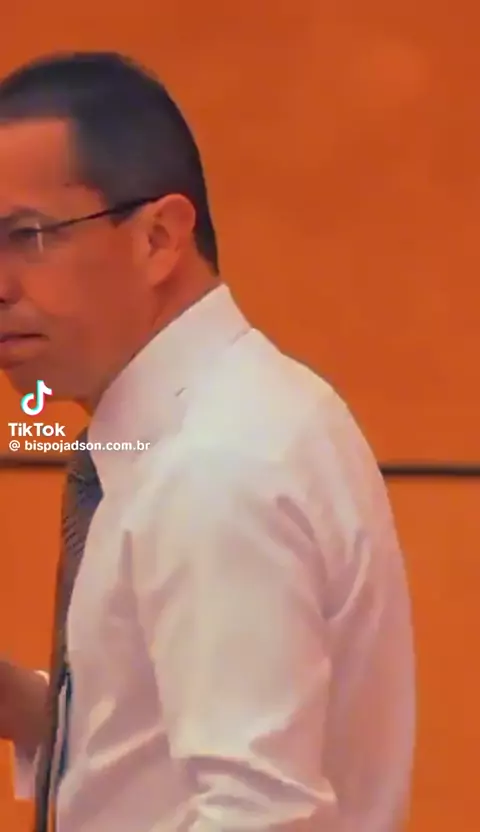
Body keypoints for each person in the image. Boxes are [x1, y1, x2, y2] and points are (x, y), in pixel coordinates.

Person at [0, 52, 415, 831]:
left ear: (158, 238)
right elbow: (160, 746)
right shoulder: (233, 416)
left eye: (28, 236)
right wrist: (26, 705)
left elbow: (261, 814)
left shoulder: (217, 466)